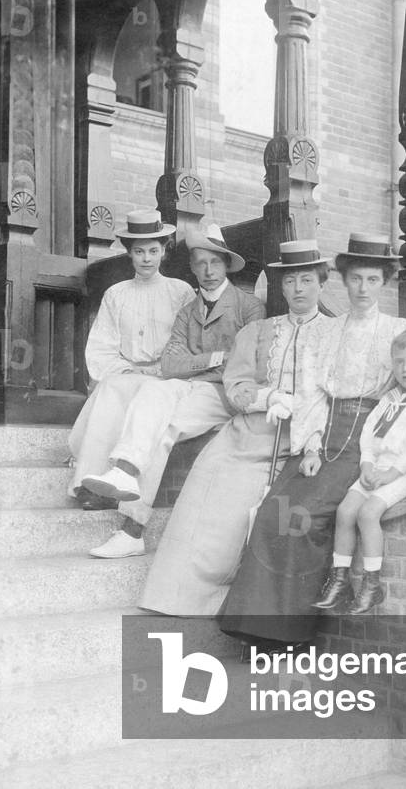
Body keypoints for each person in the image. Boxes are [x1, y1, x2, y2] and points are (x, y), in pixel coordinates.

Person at [219, 232, 406, 645]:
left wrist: (389, 454)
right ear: (343, 281)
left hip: (370, 435)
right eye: (356, 279)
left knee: (304, 518)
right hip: (325, 431)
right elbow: (310, 392)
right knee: (276, 510)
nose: (363, 289)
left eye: (372, 280)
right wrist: (309, 447)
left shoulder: (401, 331)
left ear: (384, 283)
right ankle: (256, 630)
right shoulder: (325, 332)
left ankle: (290, 634)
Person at [139, 239, 332, 615]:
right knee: (205, 492)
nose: (298, 290)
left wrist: (305, 418)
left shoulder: (336, 334)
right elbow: (236, 383)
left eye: (306, 281)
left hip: (303, 437)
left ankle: (231, 602)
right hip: (245, 433)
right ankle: (178, 597)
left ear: (321, 284)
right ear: (280, 287)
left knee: (262, 517)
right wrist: (268, 398)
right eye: (289, 282)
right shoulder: (258, 331)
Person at [80, 220, 265, 558]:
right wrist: (215, 358)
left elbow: (244, 365)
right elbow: (170, 365)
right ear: (192, 268)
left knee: (161, 406)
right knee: (155, 402)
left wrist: (203, 362)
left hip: (224, 395)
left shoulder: (249, 307)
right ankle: (130, 509)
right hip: (187, 389)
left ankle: (130, 510)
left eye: (215, 262)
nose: (208, 270)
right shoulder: (187, 311)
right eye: (200, 263)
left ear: (226, 265)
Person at [68, 209, 195, 510]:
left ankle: (118, 482)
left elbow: (190, 342)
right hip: (128, 372)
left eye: (154, 251)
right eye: (139, 252)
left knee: (126, 390)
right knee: (111, 388)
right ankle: (91, 482)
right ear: (130, 254)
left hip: (168, 376)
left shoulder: (181, 292)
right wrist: (128, 368)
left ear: (164, 252)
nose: (147, 258)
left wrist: (158, 368)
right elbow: (102, 347)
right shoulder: (117, 294)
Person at [313, 325, 406, 615]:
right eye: (399, 362)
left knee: (368, 513)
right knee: (345, 512)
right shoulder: (390, 398)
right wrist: (367, 464)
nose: (405, 369)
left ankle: (372, 585)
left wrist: (390, 475)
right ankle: (340, 580)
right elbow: (368, 434)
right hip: (378, 468)